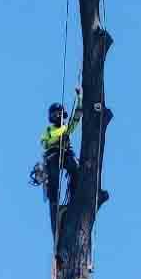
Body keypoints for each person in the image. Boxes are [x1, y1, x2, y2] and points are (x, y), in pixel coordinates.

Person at [41, 93, 82, 232]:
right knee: (53, 182)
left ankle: (75, 192)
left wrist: (80, 100)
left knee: (75, 168)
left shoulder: (66, 127)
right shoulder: (49, 130)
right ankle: (54, 201)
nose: (57, 116)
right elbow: (45, 143)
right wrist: (59, 135)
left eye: (59, 113)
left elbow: (75, 121)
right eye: (55, 114)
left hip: (65, 153)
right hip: (53, 155)